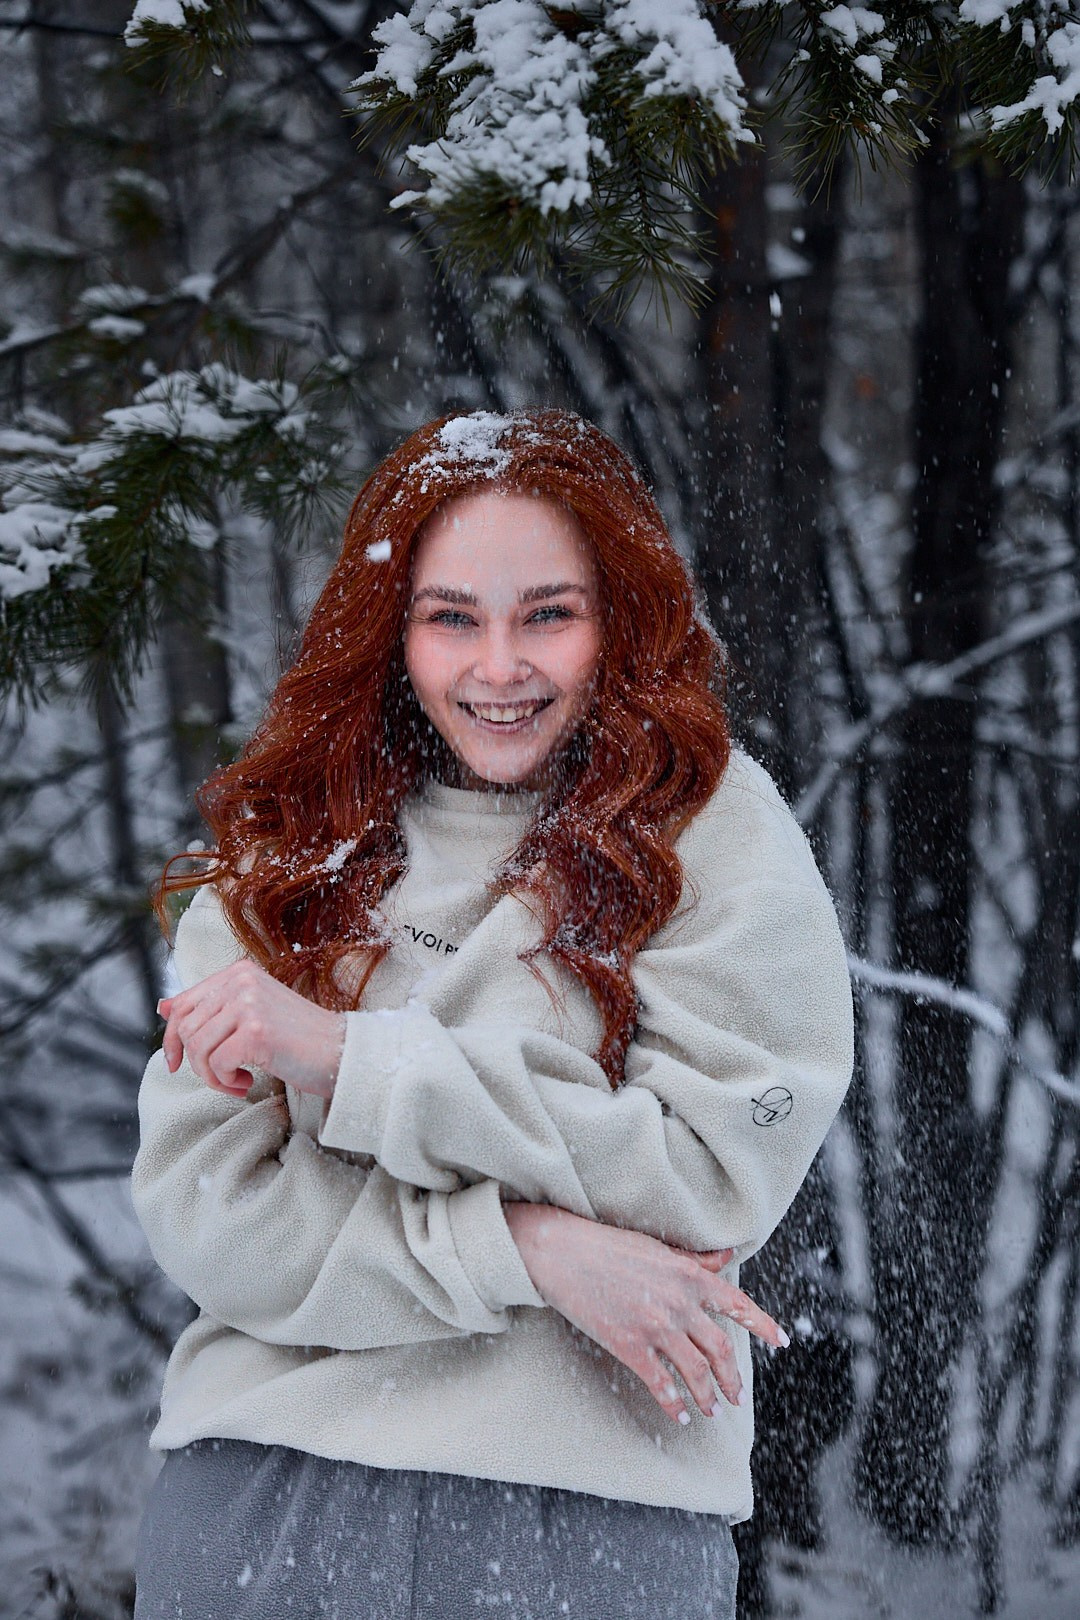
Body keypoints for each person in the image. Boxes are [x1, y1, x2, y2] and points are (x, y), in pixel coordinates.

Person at [131, 408, 853, 1620]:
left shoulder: (714, 834)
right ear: (391, 626)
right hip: (270, 1494)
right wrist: (527, 1249)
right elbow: (214, 1214)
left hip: (597, 1519)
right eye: (451, 617)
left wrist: (350, 1061)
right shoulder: (293, 843)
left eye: (549, 615)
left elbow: (703, 1178)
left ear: (618, 617)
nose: (500, 667)